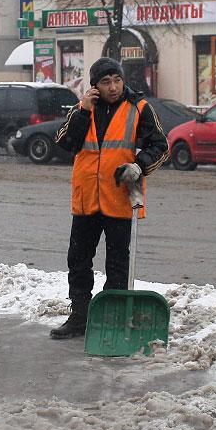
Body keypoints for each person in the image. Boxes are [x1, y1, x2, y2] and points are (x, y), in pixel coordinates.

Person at [50, 57, 169, 340]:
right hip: (86, 199)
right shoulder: (83, 110)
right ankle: (80, 316)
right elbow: (66, 143)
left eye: (117, 80)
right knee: (78, 260)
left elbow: (160, 145)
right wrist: (83, 111)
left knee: (117, 263)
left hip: (119, 198)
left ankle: (111, 315)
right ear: (94, 86)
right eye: (105, 82)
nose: (113, 87)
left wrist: (140, 165)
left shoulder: (139, 108)